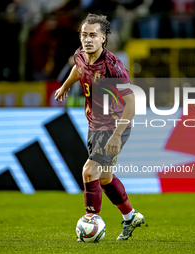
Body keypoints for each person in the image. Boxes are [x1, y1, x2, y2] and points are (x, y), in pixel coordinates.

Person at [55, 13, 144, 241]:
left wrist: (117, 135)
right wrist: (65, 86)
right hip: (95, 125)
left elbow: (132, 101)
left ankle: (91, 219)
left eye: (93, 35)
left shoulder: (113, 67)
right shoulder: (80, 55)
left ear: (103, 38)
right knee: (104, 178)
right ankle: (130, 216)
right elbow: (78, 68)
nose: (87, 39)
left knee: (88, 171)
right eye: (84, 34)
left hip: (114, 126)